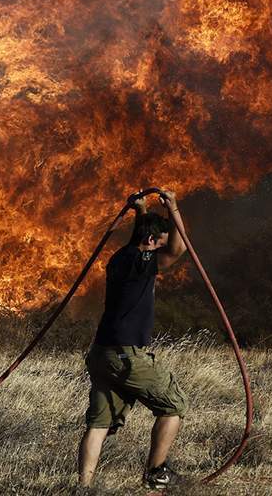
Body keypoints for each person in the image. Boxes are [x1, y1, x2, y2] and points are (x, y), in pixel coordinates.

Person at [77, 189, 188, 490]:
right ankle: (156, 472)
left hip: (101, 354)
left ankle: (83, 487)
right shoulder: (142, 261)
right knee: (174, 406)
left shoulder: (120, 258)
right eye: (158, 244)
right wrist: (173, 209)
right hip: (127, 356)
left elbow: (140, 241)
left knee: (98, 424)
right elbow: (178, 250)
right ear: (151, 243)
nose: (161, 252)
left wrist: (141, 210)